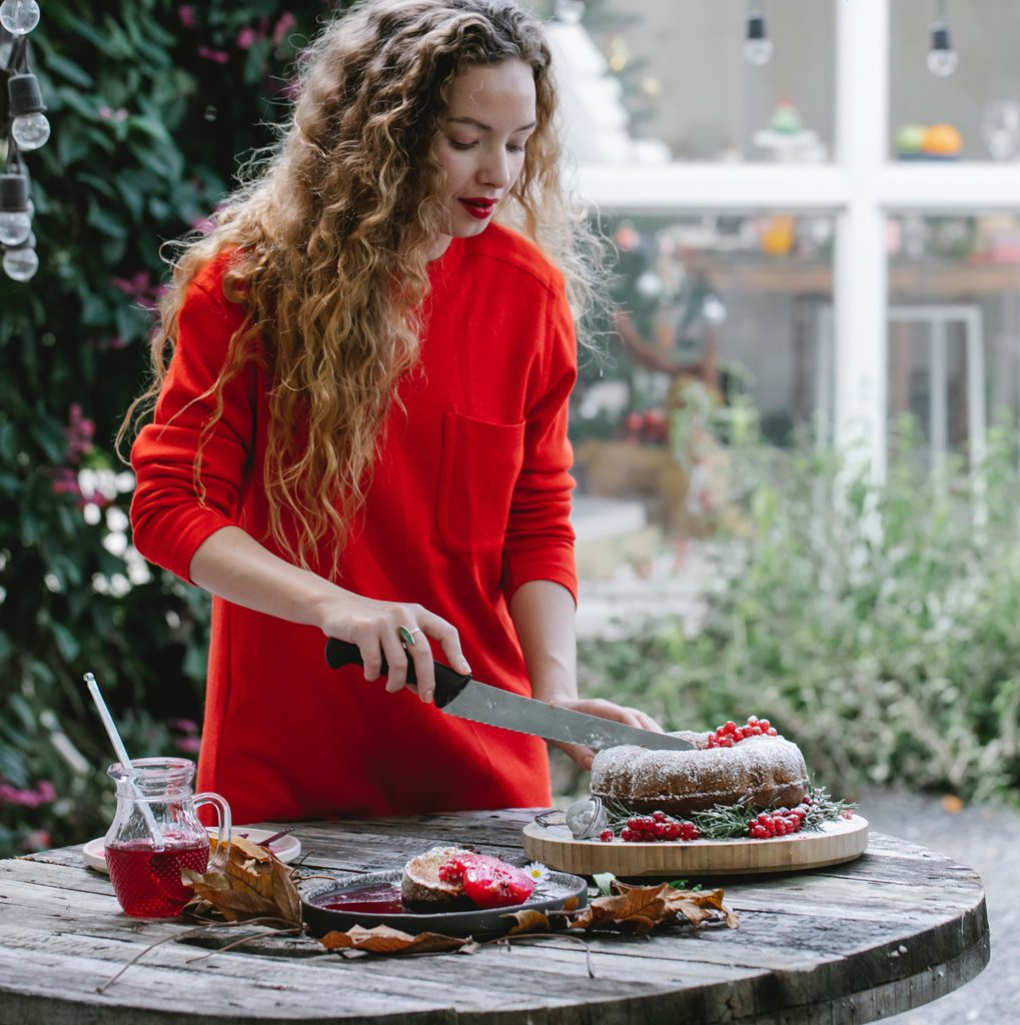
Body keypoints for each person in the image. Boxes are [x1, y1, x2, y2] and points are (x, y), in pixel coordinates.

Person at [123, 0, 662, 826]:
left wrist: (556, 701)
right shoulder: (247, 285)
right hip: (286, 782)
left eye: (517, 144)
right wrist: (337, 606)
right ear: (383, 133)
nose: (498, 175)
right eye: (463, 140)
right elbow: (170, 509)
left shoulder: (528, 295)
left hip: (484, 778)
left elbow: (536, 520)